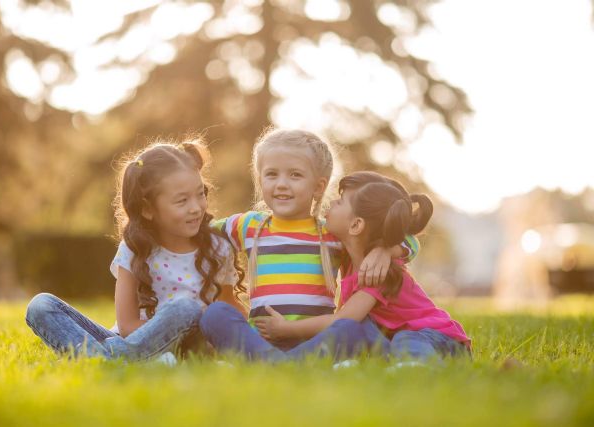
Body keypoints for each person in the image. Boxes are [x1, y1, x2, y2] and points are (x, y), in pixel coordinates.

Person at [200, 129, 418, 361]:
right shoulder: (248, 225)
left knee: (352, 329)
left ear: (318, 187)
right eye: (271, 174)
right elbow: (199, 231)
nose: (282, 184)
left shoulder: (332, 233)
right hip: (262, 339)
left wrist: (384, 250)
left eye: (295, 175)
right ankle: (280, 361)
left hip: (315, 340)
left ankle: (273, 363)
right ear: (260, 179)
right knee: (215, 315)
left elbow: (409, 241)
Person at [25, 139, 245, 360]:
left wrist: (263, 338)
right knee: (40, 305)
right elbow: (127, 326)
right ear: (148, 209)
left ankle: (104, 359)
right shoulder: (134, 250)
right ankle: (116, 359)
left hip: (187, 347)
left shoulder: (217, 248)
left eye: (201, 194)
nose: (196, 208)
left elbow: (228, 307)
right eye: (182, 201)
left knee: (186, 309)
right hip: (132, 340)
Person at [255, 171, 471, 362]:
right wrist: (388, 249)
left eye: (340, 202)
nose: (331, 203)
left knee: (405, 339)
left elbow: (343, 320)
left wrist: (288, 329)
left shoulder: (379, 273)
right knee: (361, 331)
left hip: (436, 337)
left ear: (357, 224)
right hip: (392, 339)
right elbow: (408, 239)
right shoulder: (348, 253)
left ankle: (417, 367)